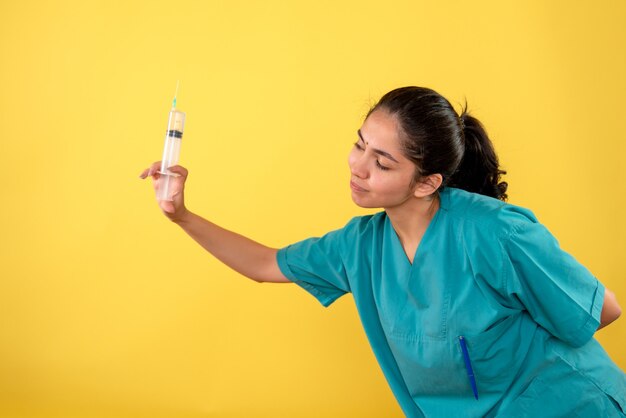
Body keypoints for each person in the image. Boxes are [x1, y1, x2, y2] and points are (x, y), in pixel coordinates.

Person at [140, 86, 625, 417]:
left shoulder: (492, 231)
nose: (358, 167)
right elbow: (266, 264)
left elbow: (602, 309)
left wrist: (512, 357)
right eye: (359, 145)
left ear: (427, 182)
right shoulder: (361, 246)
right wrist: (182, 214)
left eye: (382, 161)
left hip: (569, 405)